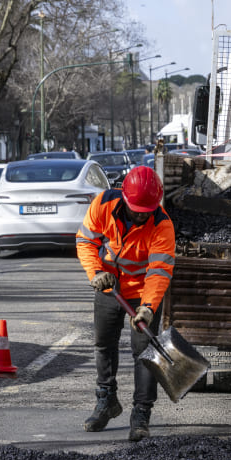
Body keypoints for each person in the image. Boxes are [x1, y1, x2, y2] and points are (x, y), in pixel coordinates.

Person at [75, 165, 176, 442]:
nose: (141, 215)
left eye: (146, 211)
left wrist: (148, 307)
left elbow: (159, 271)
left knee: (145, 352)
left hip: (142, 291)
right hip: (109, 286)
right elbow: (85, 240)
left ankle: (141, 412)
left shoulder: (162, 225)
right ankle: (106, 400)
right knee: (103, 344)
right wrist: (96, 273)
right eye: (136, 210)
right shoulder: (104, 203)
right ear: (125, 198)